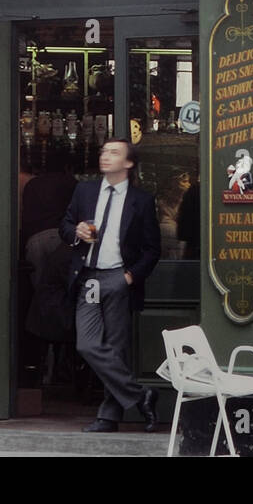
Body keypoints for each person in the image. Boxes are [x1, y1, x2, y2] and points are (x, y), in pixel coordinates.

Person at [60, 139, 161, 432]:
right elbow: (64, 225)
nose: (105, 156)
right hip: (89, 277)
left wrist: (129, 278)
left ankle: (109, 416)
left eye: (114, 152)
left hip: (119, 276)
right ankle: (141, 395)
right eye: (103, 151)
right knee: (88, 344)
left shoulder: (141, 200)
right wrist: (75, 232)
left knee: (115, 348)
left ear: (129, 163)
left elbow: (152, 250)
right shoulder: (85, 190)